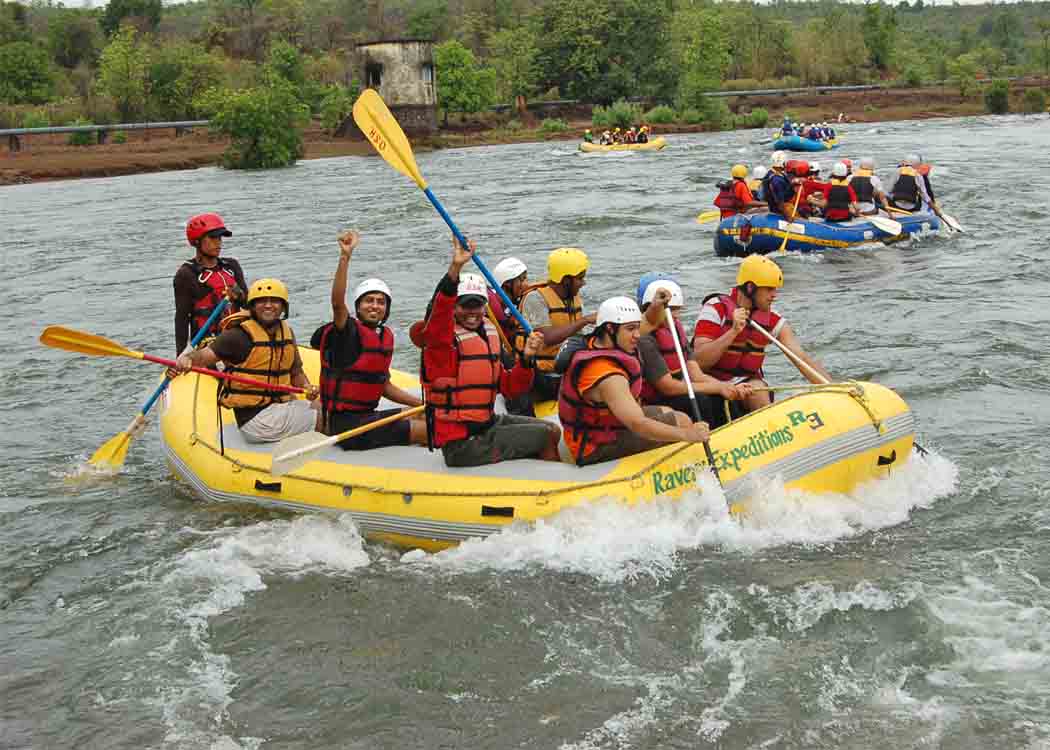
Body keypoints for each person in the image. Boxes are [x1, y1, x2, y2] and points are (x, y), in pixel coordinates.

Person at [417, 237, 560, 467]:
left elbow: (511, 387)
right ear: (455, 306)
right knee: (543, 437)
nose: (472, 312)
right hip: (462, 443)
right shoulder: (442, 342)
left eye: (478, 304)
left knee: (551, 430)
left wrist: (526, 359)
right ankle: (552, 489)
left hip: (486, 424)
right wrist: (456, 267)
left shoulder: (488, 333)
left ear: (485, 306)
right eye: (465, 305)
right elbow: (440, 310)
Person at [558, 296, 710, 466]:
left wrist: (656, 304)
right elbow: (639, 424)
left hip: (606, 425)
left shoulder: (601, 341)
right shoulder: (607, 375)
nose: (637, 335)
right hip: (596, 446)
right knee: (682, 423)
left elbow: (650, 322)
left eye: (637, 328)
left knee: (668, 411)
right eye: (631, 329)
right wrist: (688, 435)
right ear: (610, 328)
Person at [310, 230, 425, 451]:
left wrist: (420, 404)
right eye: (368, 301)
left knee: (423, 415)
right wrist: (345, 257)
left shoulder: (383, 337)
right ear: (358, 306)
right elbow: (337, 303)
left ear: (386, 309)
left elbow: (384, 387)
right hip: (347, 427)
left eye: (380, 302)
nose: (374, 305)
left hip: (367, 419)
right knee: (428, 431)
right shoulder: (347, 332)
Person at [173, 278, 320, 443]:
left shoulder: (287, 333)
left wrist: (307, 387)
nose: (268, 305)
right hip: (256, 420)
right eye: (262, 301)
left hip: (280, 408)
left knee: (327, 404)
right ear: (252, 306)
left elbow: (296, 373)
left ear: (283, 307)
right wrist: (187, 359)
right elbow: (203, 356)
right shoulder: (238, 336)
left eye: (274, 301)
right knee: (331, 417)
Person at [692, 255, 832, 413]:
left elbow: (802, 359)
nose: (774, 295)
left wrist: (834, 389)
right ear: (750, 288)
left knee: (758, 390)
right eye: (769, 289)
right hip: (711, 382)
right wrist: (733, 332)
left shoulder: (773, 320)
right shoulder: (715, 309)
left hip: (748, 385)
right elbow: (699, 361)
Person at [637, 279, 751, 429]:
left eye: (677, 309)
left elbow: (697, 375)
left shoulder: (675, 329)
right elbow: (668, 387)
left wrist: (727, 387)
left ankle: (739, 434)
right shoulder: (645, 340)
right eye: (671, 310)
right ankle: (706, 439)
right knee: (701, 400)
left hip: (676, 392)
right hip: (657, 399)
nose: (675, 315)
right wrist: (718, 388)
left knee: (723, 397)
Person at [517, 247, 596, 404]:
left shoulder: (573, 297)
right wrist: (584, 320)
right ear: (566, 280)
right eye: (580, 278)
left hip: (567, 369)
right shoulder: (535, 299)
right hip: (543, 374)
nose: (583, 283)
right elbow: (547, 337)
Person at [173, 213, 247, 355]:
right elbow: (181, 319)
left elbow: (249, 305)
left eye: (219, 238)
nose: (218, 243)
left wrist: (239, 296)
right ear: (197, 241)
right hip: (208, 343)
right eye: (212, 238)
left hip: (237, 337)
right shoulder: (186, 274)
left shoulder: (231, 266)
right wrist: (181, 355)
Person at [487, 256, 530, 347]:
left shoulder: (512, 307)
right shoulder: (489, 306)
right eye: (522, 279)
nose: (526, 284)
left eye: (526, 279)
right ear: (507, 283)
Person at [761, 151, 797, 218]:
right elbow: (780, 202)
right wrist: (788, 217)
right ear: (782, 163)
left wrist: (792, 184)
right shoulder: (776, 180)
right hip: (780, 209)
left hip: (779, 205)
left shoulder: (772, 173)